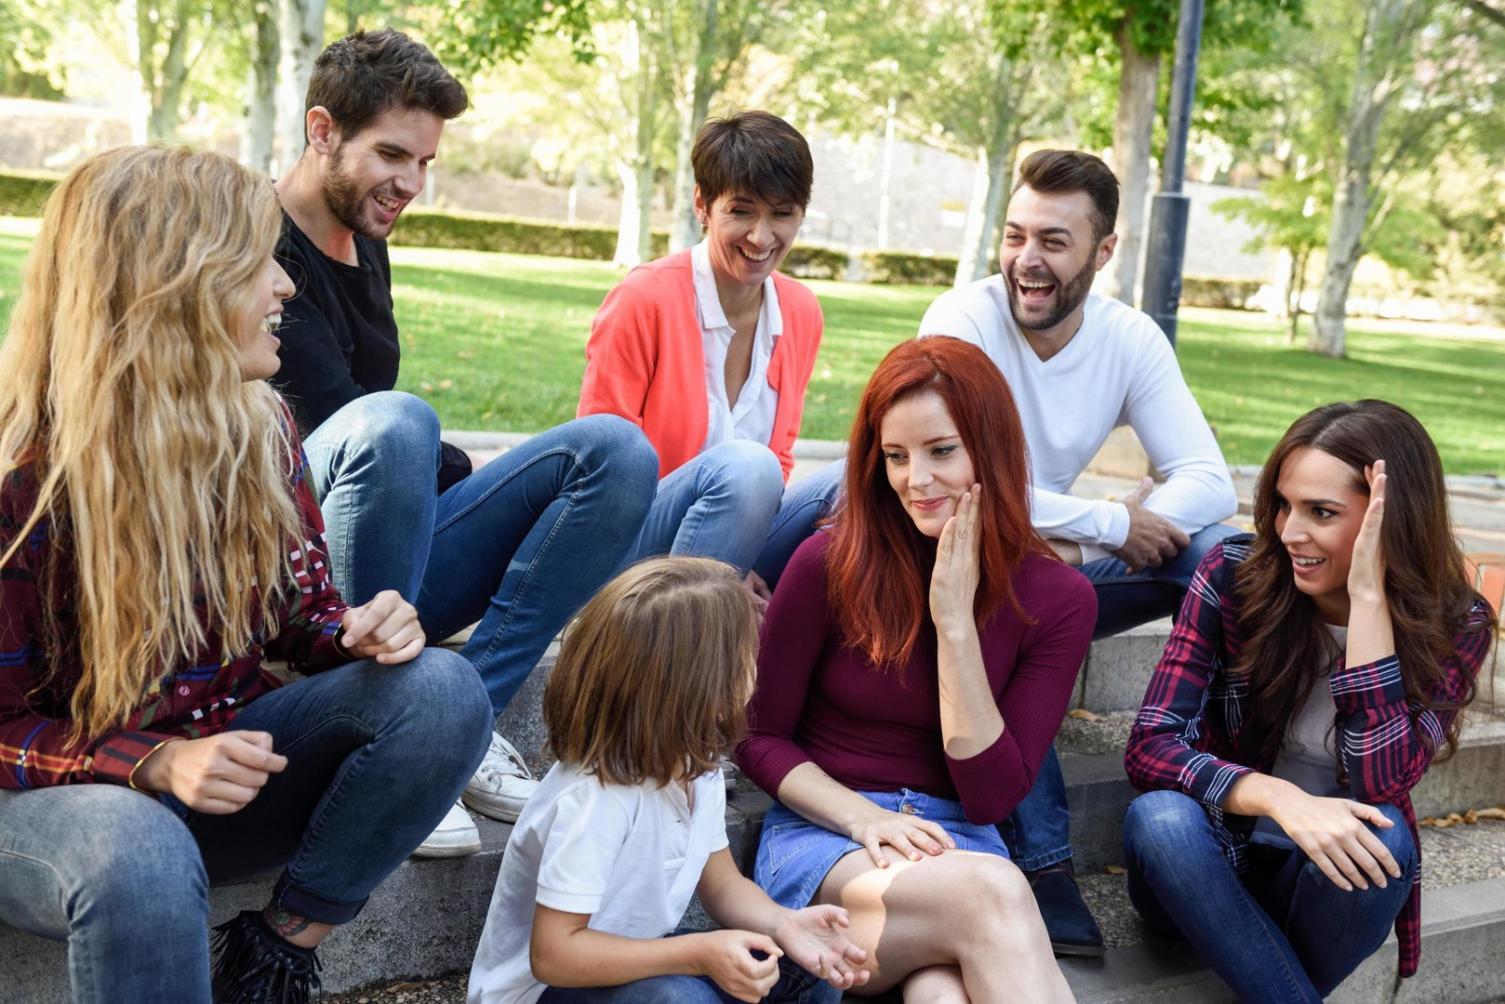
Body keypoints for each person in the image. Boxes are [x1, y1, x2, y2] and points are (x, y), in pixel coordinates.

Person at [0, 146, 494, 1004]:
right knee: (134, 845)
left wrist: (352, 632)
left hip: (219, 771)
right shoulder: (22, 479)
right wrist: (148, 764)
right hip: (50, 812)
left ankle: (273, 959)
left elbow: (298, 617)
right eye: (255, 262)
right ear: (174, 288)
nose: (286, 286)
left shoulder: (258, 431)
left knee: (442, 688)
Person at [272, 29, 659, 854]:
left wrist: (455, 475)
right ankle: (394, 740)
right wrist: (434, 459)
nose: (409, 183)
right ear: (321, 130)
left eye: (424, 163)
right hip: (290, 575)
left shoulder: (365, 239)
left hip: (385, 551)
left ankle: (460, 722)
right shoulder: (260, 249)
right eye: (391, 155)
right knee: (399, 424)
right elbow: (340, 418)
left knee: (615, 452)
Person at [915, 149, 1240, 951]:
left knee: (1220, 553)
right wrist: (1102, 523)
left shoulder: (1129, 338)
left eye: (1054, 241)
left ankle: (1233, 774)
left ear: (1103, 251)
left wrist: (1120, 526)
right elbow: (955, 485)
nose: (1027, 259)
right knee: (1006, 583)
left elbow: (1207, 478)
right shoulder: (959, 322)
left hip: (1057, 570)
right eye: (1016, 234)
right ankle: (1043, 862)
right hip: (963, 569)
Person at [738, 337, 1093, 1001]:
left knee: (942, 995)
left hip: (958, 843)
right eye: (895, 457)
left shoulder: (1058, 599)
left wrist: (953, 625)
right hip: (828, 843)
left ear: (989, 449)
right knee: (994, 893)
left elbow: (989, 797)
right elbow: (757, 737)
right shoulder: (827, 564)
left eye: (940, 451)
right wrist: (862, 819)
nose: (915, 480)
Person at [1122, 400, 1496, 1000]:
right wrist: (1280, 799)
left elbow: (1381, 786)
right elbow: (1151, 747)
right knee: (1160, 819)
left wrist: (1369, 601)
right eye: (1284, 504)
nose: (1290, 531)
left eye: (1321, 512)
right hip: (1209, 862)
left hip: (1329, 884)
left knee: (1389, 838)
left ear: (1391, 520)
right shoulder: (1233, 575)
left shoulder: (1459, 623)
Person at [468, 557, 871, 1004]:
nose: (756, 664)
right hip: (546, 990)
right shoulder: (596, 798)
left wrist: (784, 924)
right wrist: (697, 953)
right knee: (679, 998)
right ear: (701, 686)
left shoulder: (697, 768)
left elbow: (721, 885)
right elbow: (555, 954)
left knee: (804, 964)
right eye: (745, 655)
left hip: (636, 966)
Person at [578, 111, 835, 600]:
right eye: (741, 211)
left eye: (782, 214)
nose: (761, 238)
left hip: (739, 528)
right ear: (703, 203)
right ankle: (689, 631)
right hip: (630, 551)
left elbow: (780, 458)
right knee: (746, 467)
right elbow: (600, 473)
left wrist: (742, 559)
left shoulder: (800, 311)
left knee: (848, 483)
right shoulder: (645, 299)